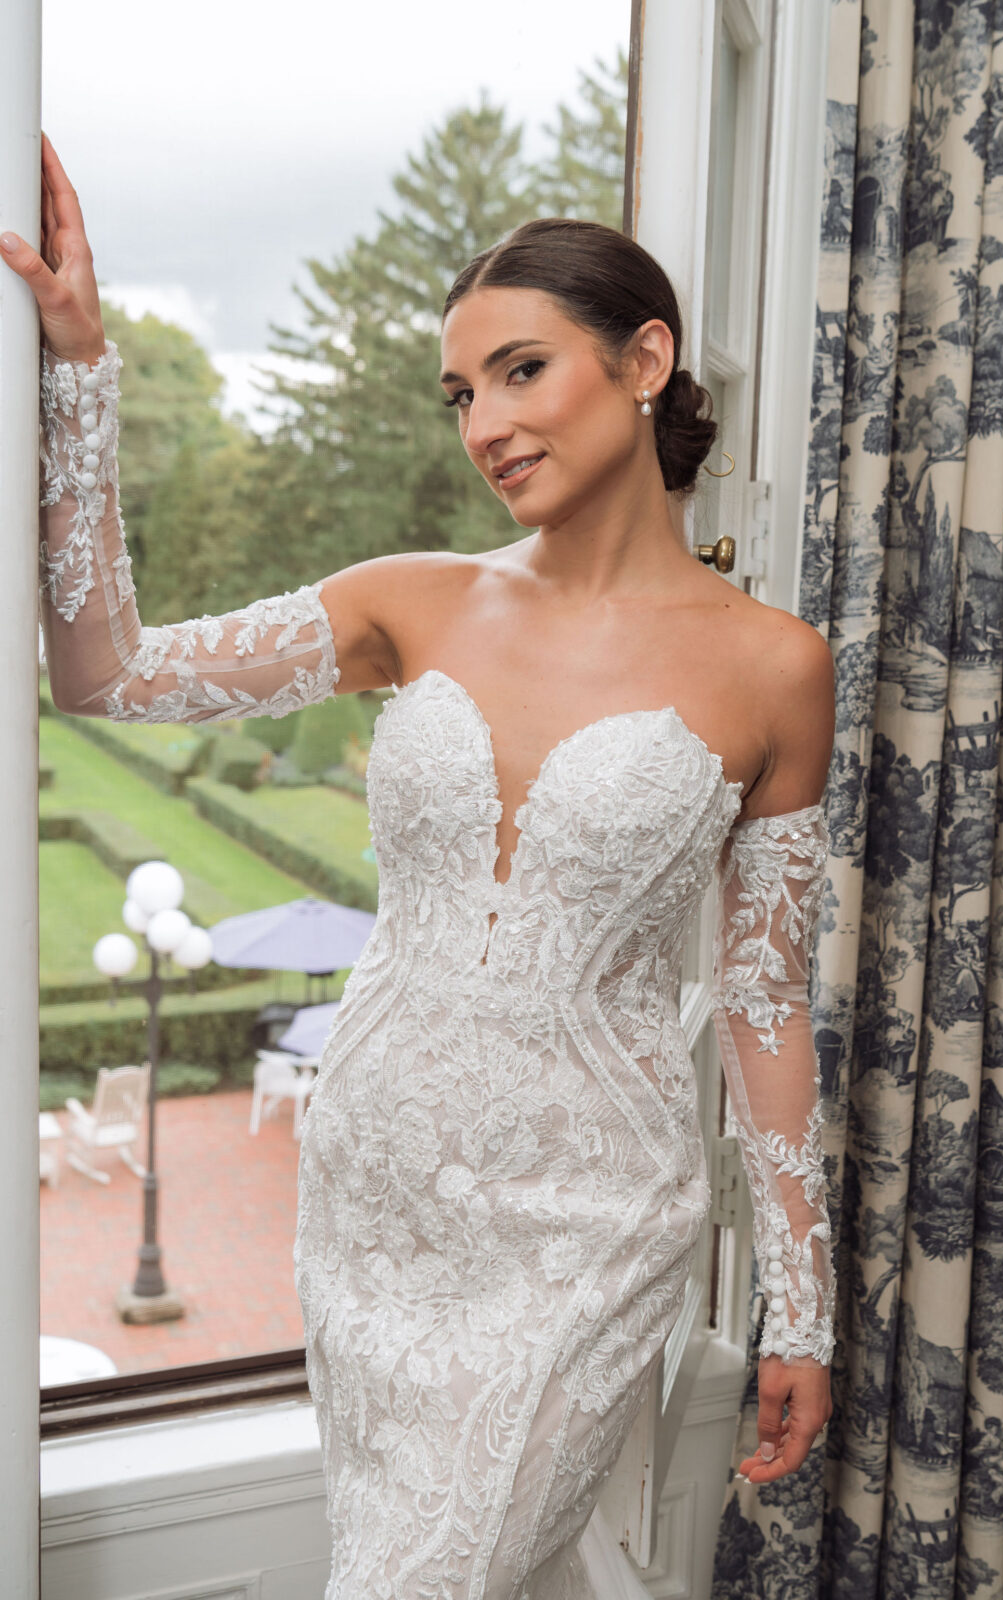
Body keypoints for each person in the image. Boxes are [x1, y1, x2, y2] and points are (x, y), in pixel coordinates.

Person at [4, 133, 836, 1599]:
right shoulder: (408, 603)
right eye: (462, 393)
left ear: (644, 362)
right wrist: (80, 370)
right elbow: (105, 673)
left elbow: (765, 1005)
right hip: (378, 1191)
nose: (485, 423)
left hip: (589, 1224)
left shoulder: (774, 667)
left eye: (521, 370)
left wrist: (800, 1311)